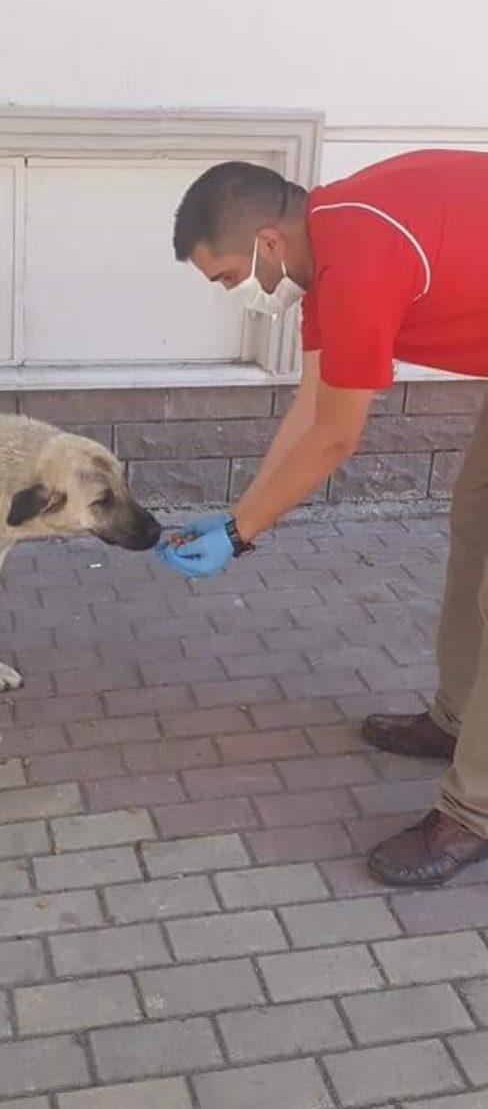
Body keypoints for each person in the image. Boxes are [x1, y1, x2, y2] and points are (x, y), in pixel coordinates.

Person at [157, 150, 488, 887]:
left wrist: (242, 537)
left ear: (269, 242)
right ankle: (460, 722)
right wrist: (239, 516)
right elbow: (312, 408)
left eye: (226, 276)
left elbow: (340, 437)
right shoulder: (327, 251)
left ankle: (474, 814)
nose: (234, 293)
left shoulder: (360, 256)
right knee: (474, 534)